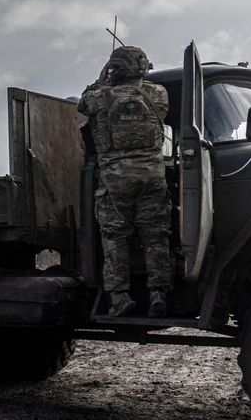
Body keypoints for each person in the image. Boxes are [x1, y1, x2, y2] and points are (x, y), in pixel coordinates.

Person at [78, 45, 172, 317]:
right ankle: (158, 294)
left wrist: (100, 80)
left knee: (115, 239)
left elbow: (83, 104)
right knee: (156, 237)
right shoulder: (159, 94)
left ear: (115, 70)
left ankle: (120, 298)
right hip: (153, 177)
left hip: (116, 180)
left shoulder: (102, 97)